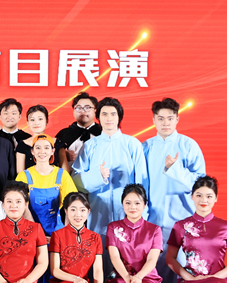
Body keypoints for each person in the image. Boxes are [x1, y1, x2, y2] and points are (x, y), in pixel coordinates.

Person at [143, 97, 207, 283]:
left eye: (170, 118)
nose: (165, 123)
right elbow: (140, 183)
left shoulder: (189, 145)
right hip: (152, 217)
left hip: (181, 218)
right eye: (160, 118)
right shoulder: (146, 147)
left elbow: (200, 184)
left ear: (177, 119)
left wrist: (175, 169)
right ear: (153, 120)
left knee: (178, 266)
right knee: (152, 265)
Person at [105, 185, 176, 283]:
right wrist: (127, 278)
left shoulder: (154, 230)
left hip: (147, 279)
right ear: (122, 204)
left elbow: (152, 259)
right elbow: (114, 257)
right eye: (128, 203)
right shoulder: (113, 227)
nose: (133, 207)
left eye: (137, 203)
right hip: (120, 278)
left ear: (145, 205)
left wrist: (138, 277)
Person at [72, 97, 148, 243]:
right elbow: (75, 179)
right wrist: (97, 176)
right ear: (98, 117)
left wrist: (143, 211)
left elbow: (143, 180)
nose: (109, 118)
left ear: (119, 117)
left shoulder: (132, 144)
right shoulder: (89, 146)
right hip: (98, 208)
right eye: (104, 114)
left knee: (128, 249)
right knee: (99, 248)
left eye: (113, 114)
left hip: (128, 209)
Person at [42, 193, 108, 283]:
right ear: (65, 211)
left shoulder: (95, 238)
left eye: (82, 210)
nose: (78, 214)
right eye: (73, 209)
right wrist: (75, 279)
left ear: (88, 212)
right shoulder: (57, 235)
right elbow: (54, 270)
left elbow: (98, 270)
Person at [15, 135, 78, 237]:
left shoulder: (62, 175)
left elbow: (72, 204)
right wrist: (36, 233)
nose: (42, 151)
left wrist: (67, 233)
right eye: (38, 148)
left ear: (53, 151)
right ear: (32, 151)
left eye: (46, 148)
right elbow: (20, 206)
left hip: (56, 229)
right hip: (30, 227)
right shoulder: (23, 176)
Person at [55, 92, 101, 171]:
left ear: (95, 110)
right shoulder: (63, 134)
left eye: (87, 107)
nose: (83, 111)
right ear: (73, 111)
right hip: (70, 177)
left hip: (100, 177)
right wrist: (62, 155)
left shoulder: (104, 133)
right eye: (78, 108)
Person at [16, 105, 50, 174]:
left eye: (40, 119)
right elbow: (20, 173)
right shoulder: (23, 144)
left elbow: (64, 173)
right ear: (28, 123)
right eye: (32, 120)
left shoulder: (57, 143)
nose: (36, 123)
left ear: (46, 121)